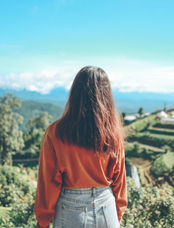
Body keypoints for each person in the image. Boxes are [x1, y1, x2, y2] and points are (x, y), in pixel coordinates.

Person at [34, 66, 127, 228]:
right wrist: (116, 214)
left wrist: (43, 221)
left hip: (71, 211)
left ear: (75, 93)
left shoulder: (55, 132)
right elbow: (120, 181)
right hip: (107, 209)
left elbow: (48, 181)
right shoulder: (113, 132)